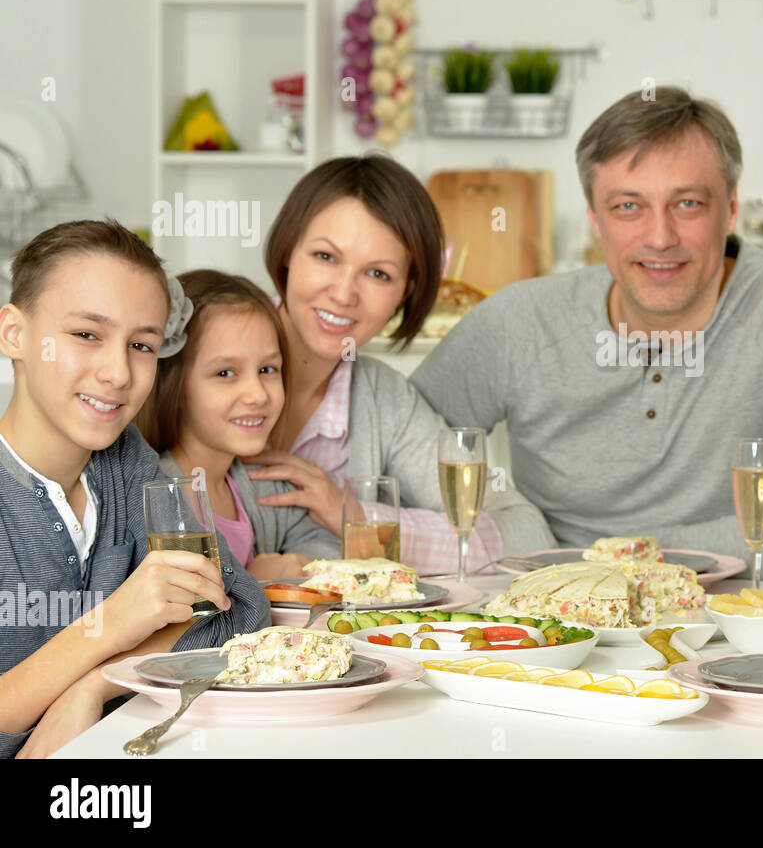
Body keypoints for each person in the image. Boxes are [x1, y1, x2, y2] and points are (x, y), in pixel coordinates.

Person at [409, 87, 763, 580]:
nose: (660, 237)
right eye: (628, 207)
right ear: (594, 220)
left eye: (687, 203)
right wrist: (515, 523)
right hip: (544, 623)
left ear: (730, 210)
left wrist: (592, 563)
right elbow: (399, 448)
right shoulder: (520, 321)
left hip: (732, 623)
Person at [0, 220, 270, 759]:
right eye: (86, 335)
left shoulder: (125, 462)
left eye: (142, 344)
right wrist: (112, 625)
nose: (119, 372)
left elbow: (237, 606)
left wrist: (94, 683)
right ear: (14, 333)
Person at [244, 155, 554, 574]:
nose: (343, 293)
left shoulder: (383, 399)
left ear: (406, 291)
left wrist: (356, 521)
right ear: (287, 253)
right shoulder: (204, 349)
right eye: (325, 256)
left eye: (377, 274)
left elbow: (527, 532)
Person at [136, 270, 337, 580]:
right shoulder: (155, 498)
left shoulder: (259, 483)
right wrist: (254, 580)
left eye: (268, 369)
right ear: (173, 385)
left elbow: (326, 542)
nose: (257, 394)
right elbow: (187, 611)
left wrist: (298, 562)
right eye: (226, 373)